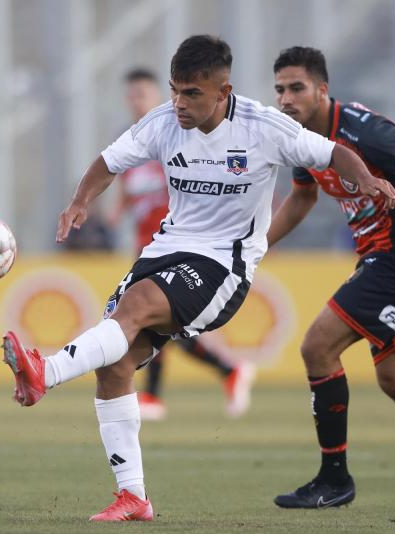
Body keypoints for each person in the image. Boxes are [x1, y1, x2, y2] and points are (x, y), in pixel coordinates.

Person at [0, 34, 395, 522]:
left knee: (137, 305)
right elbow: (109, 162)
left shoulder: (263, 126)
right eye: (174, 90)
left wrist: (369, 181)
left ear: (223, 91)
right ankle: (133, 497)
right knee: (115, 366)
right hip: (165, 250)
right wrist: (81, 200)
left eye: (192, 93)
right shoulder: (164, 123)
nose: (179, 104)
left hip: (224, 265)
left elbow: (333, 154)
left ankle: (47, 373)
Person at [269, 47, 395, 509]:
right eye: (280, 89)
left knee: (318, 346)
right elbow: (301, 198)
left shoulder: (366, 131)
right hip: (381, 258)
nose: (286, 99)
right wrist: (255, 248)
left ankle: (334, 479)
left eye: (297, 88)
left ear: (322, 89)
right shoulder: (300, 138)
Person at [111, 67, 255, 421]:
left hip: (179, 243)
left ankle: (158, 394)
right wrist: (115, 213)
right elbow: (126, 189)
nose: (136, 101)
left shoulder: (175, 134)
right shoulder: (130, 140)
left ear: (159, 94)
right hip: (146, 244)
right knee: (156, 322)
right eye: (131, 95)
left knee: (158, 320)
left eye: (143, 93)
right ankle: (224, 372)